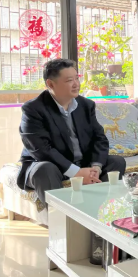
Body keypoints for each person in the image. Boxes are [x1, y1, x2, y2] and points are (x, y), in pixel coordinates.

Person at [18, 59, 126, 205]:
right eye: (69, 80)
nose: (76, 84)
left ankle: (95, 209)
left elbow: (99, 138)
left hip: (82, 162)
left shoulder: (86, 105)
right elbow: (42, 150)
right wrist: (76, 172)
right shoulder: (33, 109)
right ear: (50, 84)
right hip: (50, 164)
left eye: (77, 78)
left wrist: (96, 167)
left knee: (116, 162)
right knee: (45, 169)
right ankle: (59, 217)